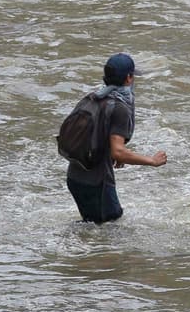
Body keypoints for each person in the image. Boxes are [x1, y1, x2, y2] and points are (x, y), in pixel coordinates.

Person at [65, 53, 167, 224]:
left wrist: (112, 153)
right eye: (133, 76)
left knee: (93, 230)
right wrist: (152, 161)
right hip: (97, 183)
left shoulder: (94, 97)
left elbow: (94, 135)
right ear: (128, 78)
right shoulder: (120, 107)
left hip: (75, 177)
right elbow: (118, 151)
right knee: (110, 229)